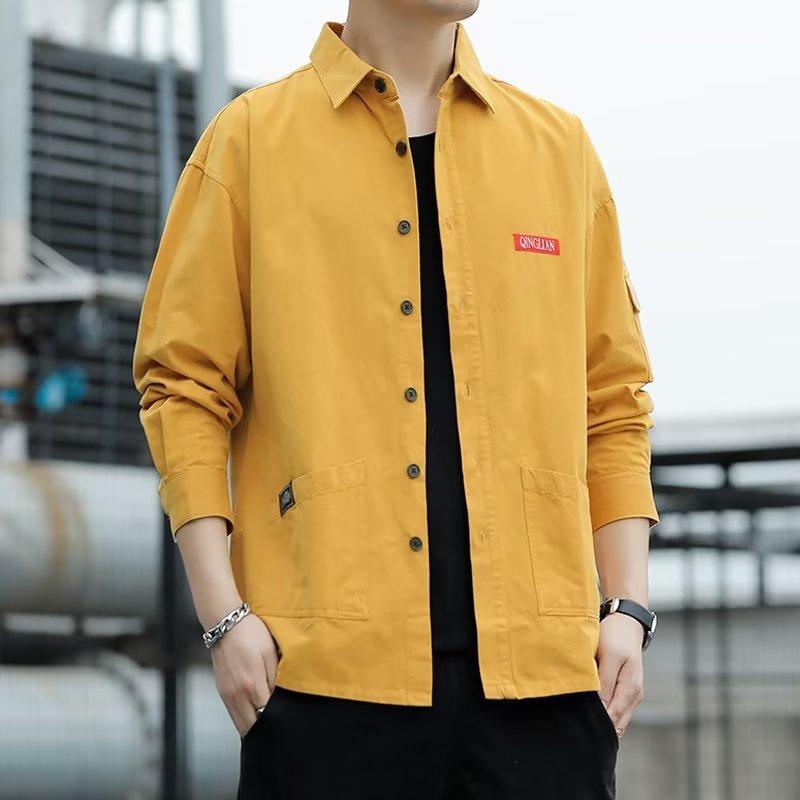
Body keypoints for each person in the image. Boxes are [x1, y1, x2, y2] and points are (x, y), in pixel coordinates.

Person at [132, 1, 660, 797]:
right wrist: (223, 619)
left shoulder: (559, 150)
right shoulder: (250, 144)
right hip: (322, 684)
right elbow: (184, 388)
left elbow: (612, 398)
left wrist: (627, 607)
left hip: (549, 684)